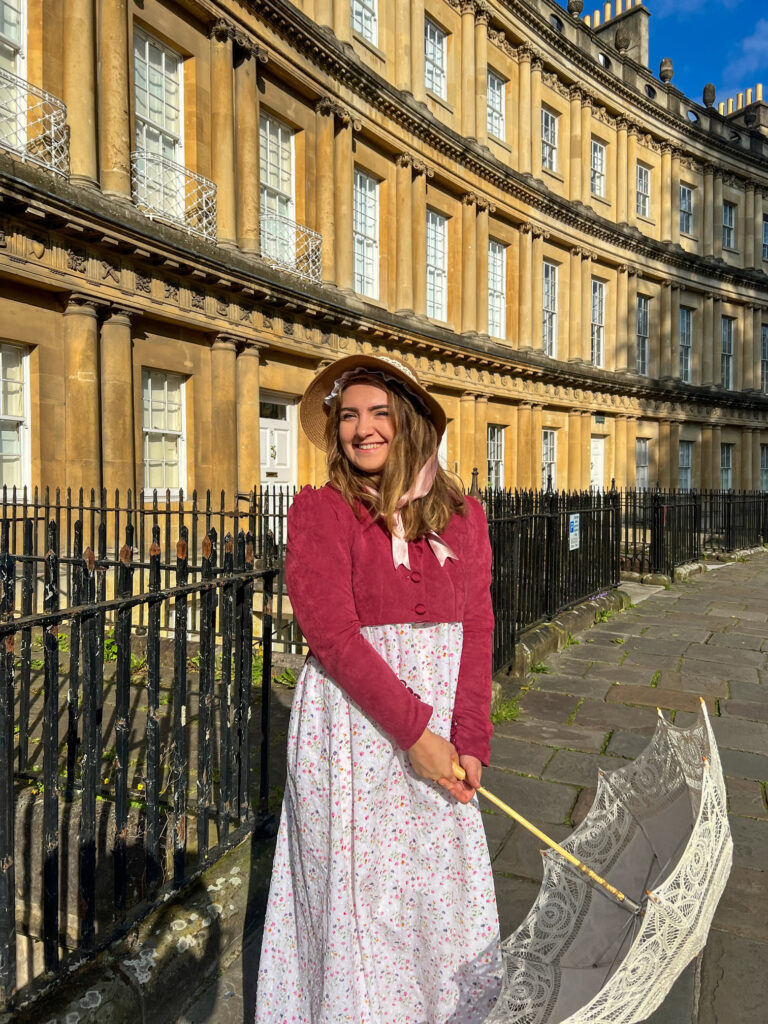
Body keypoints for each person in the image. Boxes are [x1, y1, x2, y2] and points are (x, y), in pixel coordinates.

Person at [255, 353, 501, 1024]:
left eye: (379, 413)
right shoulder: (321, 514)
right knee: (362, 899)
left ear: (411, 423)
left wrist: (470, 737)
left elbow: (478, 627)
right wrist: (417, 735)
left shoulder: (464, 516)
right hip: (354, 733)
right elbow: (332, 635)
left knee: (435, 893)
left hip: (445, 730)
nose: (362, 430)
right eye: (348, 417)